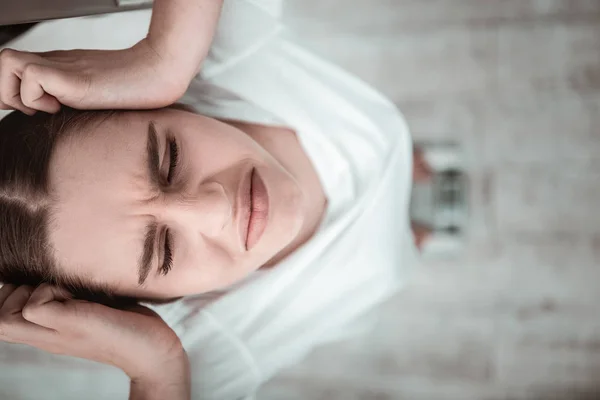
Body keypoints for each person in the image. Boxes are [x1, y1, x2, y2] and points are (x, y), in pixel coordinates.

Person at [0, 1, 419, 399]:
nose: (216, 209)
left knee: (394, 151)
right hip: (375, 281)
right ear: (145, 304)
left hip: (382, 139)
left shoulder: (223, 53)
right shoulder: (213, 351)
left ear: (165, 103)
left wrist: (163, 58)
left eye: (171, 162)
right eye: (165, 252)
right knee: (396, 253)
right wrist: (157, 370)